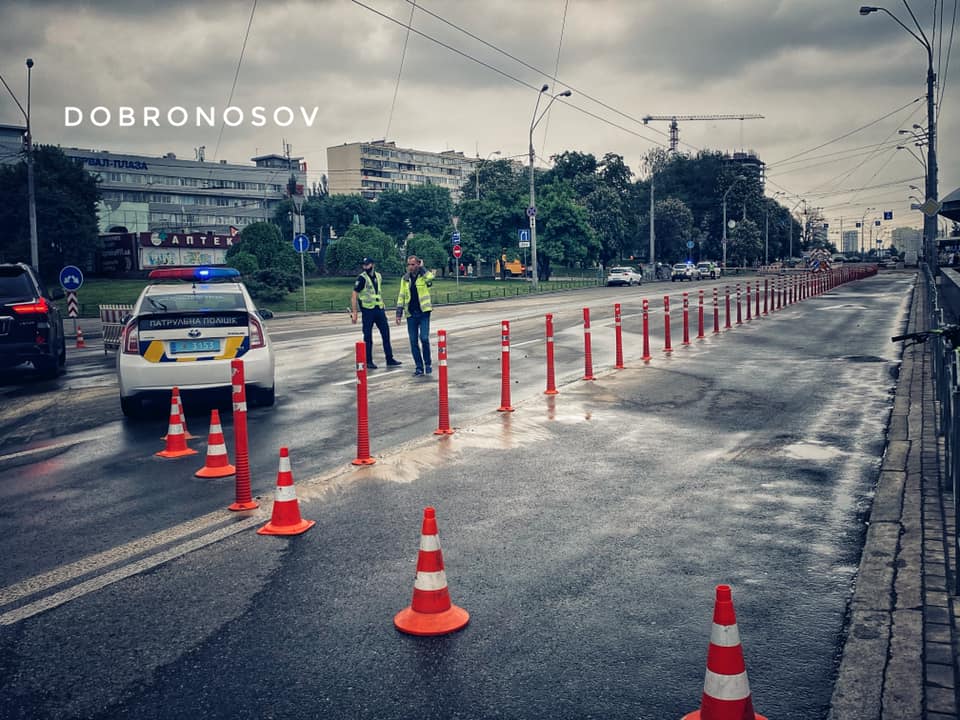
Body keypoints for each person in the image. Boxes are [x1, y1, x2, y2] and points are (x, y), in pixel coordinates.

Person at [351, 257, 401, 370]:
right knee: (368, 336)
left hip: (379, 309)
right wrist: (355, 312)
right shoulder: (362, 278)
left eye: (367, 265)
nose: (365, 267)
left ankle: (390, 359)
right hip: (368, 311)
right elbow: (354, 295)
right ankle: (368, 361)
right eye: (364, 265)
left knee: (386, 334)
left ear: (372, 265)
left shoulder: (378, 276)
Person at [396, 255, 434, 376]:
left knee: (424, 338)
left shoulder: (423, 277)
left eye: (413, 264)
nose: (410, 267)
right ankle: (419, 367)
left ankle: (427, 363)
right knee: (413, 341)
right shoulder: (405, 279)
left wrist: (422, 268)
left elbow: (431, 277)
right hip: (411, 314)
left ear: (418, 264)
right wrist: (399, 312)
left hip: (423, 313)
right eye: (409, 265)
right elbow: (401, 295)